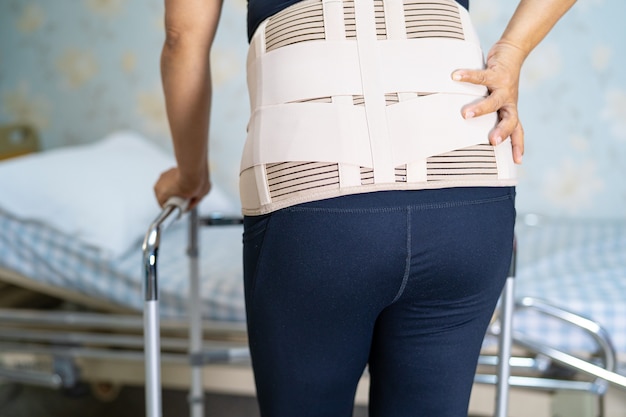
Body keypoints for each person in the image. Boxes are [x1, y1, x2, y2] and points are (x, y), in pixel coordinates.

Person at [154, 0, 576, 415]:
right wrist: (513, 51)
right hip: (467, 193)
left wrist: (190, 176)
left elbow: (182, 38)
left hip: (314, 200)